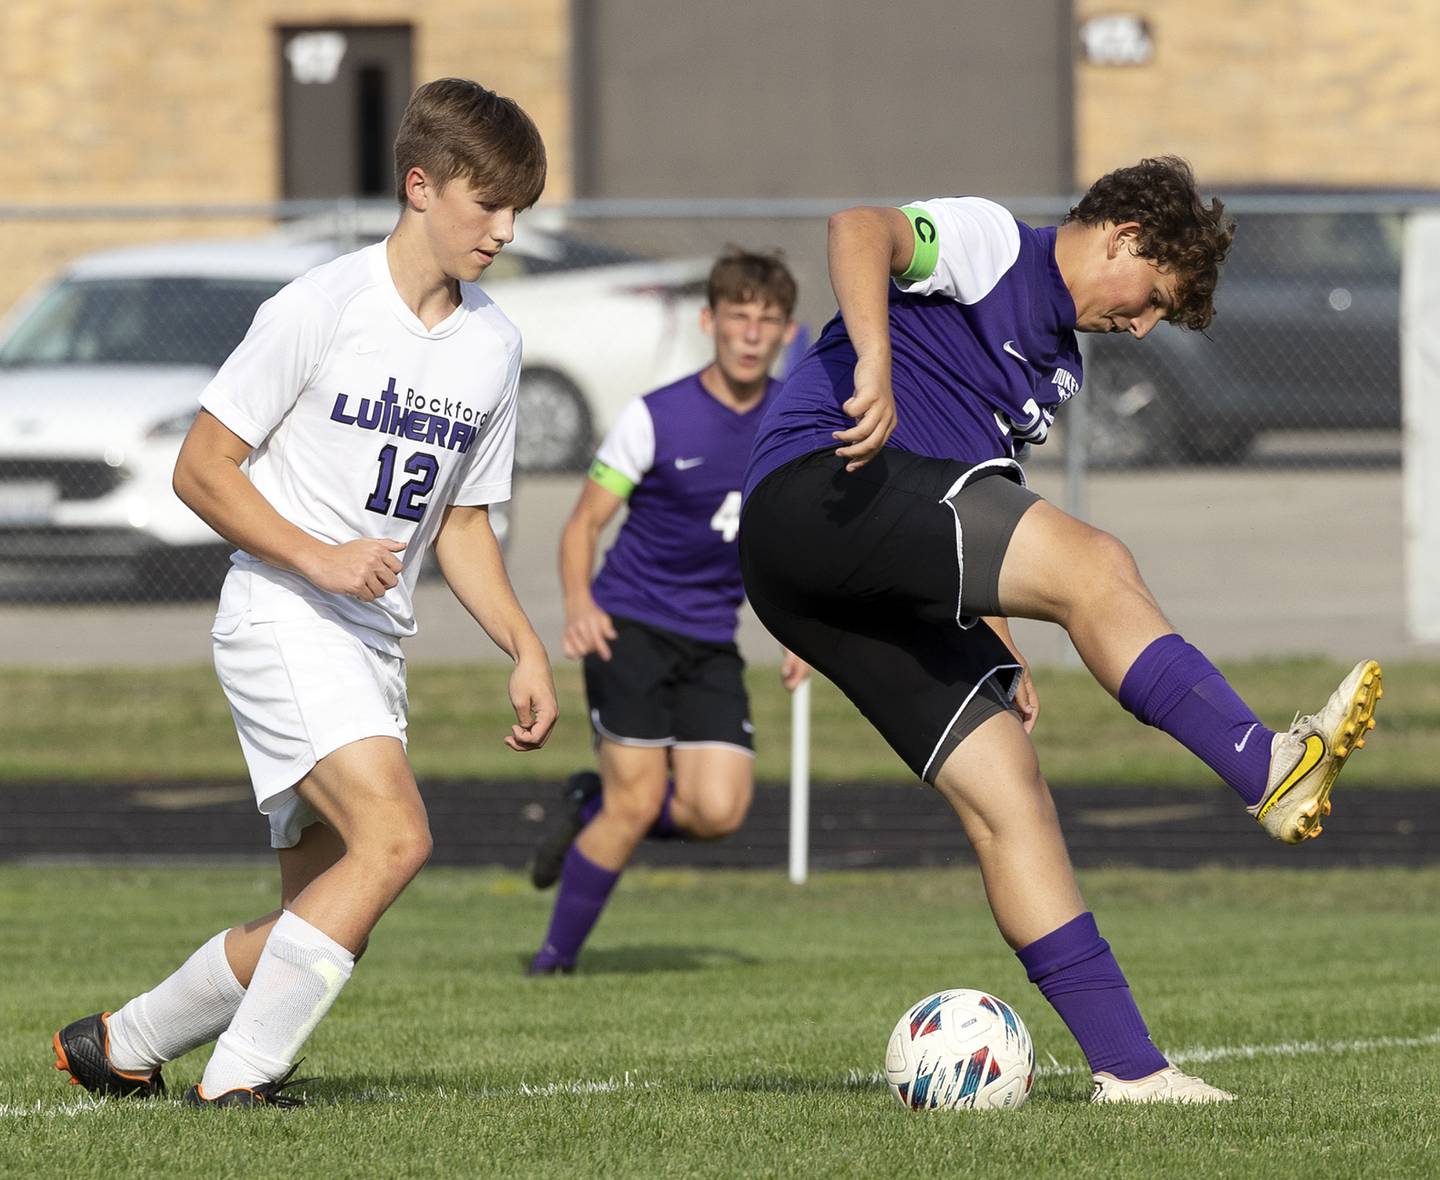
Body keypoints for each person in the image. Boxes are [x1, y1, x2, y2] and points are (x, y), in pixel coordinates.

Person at [739, 156, 1383, 1103]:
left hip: (837, 568)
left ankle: (1130, 1069)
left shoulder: (1053, 369)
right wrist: (871, 360)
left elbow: (965, 501)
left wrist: (995, 629)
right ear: (1124, 236)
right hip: (820, 490)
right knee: (1098, 564)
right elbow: (856, 228)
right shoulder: (996, 244)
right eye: (1154, 297)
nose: (1146, 325)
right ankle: (1266, 764)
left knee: (1011, 795)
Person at [50, 78, 557, 1107]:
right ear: (420, 186)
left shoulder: (493, 344)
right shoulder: (319, 305)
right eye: (488, 204)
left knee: (326, 915)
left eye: (518, 211)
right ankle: (238, 1084)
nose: (505, 231)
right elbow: (201, 467)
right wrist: (317, 556)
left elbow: (460, 522)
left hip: (370, 643)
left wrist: (524, 644)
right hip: (281, 615)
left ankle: (122, 1041)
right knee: (398, 839)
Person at [527, 248, 808, 976]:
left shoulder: (797, 422)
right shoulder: (656, 416)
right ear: (709, 322)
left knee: (718, 812)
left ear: (787, 331)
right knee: (641, 798)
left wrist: (810, 631)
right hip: (631, 624)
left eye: (767, 321)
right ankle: (553, 962)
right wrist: (580, 604)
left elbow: (812, 536)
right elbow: (583, 524)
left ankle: (593, 806)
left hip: (712, 639)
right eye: (738, 318)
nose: (751, 334)